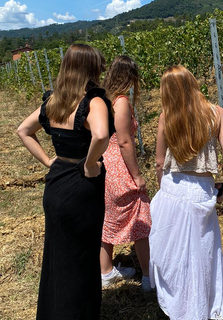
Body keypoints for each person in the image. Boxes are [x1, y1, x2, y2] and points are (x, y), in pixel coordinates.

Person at [16, 43, 113, 319]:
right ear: (89, 68)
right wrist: (91, 162)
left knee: (57, 258)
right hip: (82, 187)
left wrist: (49, 161)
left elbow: (23, 130)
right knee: (82, 259)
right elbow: (101, 135)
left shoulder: (54, 101)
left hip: (56, 184)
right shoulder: (92, 102)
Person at [149, 65, 223, 319]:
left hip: (173, 187)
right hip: (202, 190)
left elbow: (158, 162)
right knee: (202, 252)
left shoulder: (167, 116)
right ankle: (202, 304)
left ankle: (178, 304)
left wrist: (160, 184)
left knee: (172, 252)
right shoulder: (216, 113)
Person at [99, 55, 152, 291]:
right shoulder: (120, 102)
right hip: (119, 166)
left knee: (107, 219)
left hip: (105, 164)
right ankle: (149, 277)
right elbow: (124, 142)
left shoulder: (104, 99)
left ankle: (106, 271)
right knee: (140, 220)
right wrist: (137, 175)